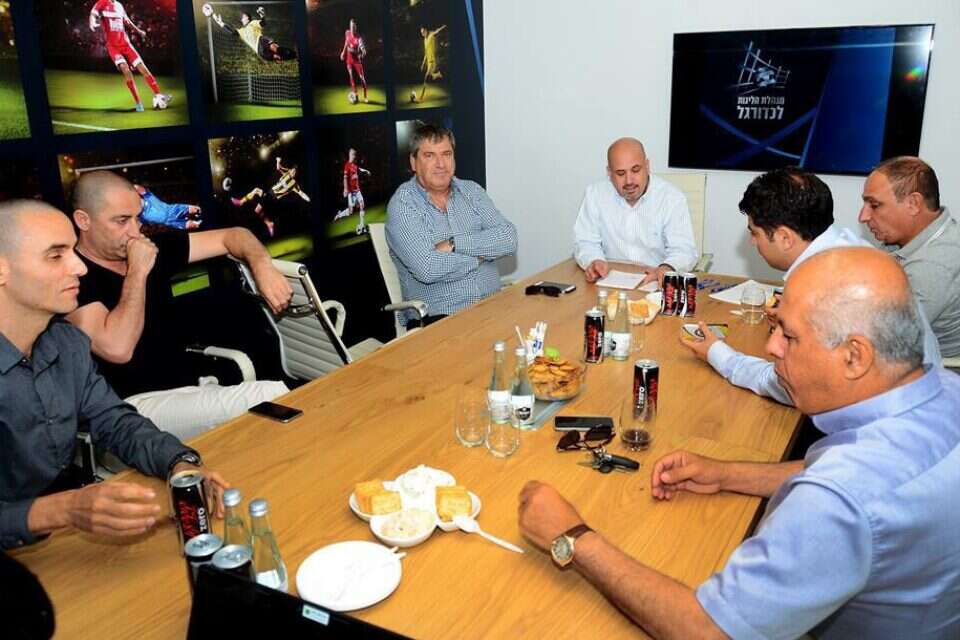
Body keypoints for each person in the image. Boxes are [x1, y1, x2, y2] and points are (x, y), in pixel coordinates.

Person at [519, 246, 960, 639]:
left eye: (789, 336)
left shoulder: (839, 499)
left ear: (854, 356)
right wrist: (727, 473)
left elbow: (709, 630)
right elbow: (856, 479)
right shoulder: (942, 389)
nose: (771, 347)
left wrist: (573, 536)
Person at [0, 200, 229, 551]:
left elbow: (115, 422)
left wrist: (179, 464)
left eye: (73, 251)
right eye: (56, 256)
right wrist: (60, 509)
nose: (80, 267)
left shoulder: (67, 344)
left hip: (56, 545)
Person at [65, 171, 293, 441]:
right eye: (122, 221)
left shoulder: (146, 248)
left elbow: (234, 235)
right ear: (83, 220)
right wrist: (137, 271)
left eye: (138, 218)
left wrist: (262, 266)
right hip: (128, 410)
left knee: (258, 428)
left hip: (186, 391)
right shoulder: (72, 278)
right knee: (272, 397)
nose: (135, 231)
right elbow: (118, 348)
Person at [684, 167, 941, 404]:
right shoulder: (848, 249)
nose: (752, 242)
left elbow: (789, 384)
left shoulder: (827, 284)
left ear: (785, 238)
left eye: (754, 232)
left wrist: (720, 355)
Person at [386, 123, 517, 326]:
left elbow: (509, 238)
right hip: (441, 319)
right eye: (429, 155)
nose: (440, 164)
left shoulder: (471, 191)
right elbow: (428, 268)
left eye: (446, 154)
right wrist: (481, 255)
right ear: (413, 162)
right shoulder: (402, 205)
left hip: (492, 306)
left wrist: (454, 244)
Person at [860, 156, 960, 359]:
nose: (863, 216)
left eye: (875, 205)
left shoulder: (933, 267)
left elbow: (881, 339)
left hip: (934, 368)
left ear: (913, 204)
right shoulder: (908, 237)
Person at [573, 138, 697, 286]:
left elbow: (684, 250)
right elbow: (585, 242)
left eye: (636, 170)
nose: (629, 181)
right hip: (609, 283)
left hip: (656, 283)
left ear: (647, 166)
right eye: (620, 173)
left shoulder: (671, 198)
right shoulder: (595, 195)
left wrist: (666, 268)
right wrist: (594, 261)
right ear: (609, 173)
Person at [89, 0, 171, 112]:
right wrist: (92, 21)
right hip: (113, 47)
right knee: (125, 69)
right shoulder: (102, 2)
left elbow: (127, 21)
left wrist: (139, 31)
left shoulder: (119, 6)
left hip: (126, 45)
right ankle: (138, 103)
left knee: (143, 69)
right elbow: (93, 13)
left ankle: (158, 95)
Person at [212, 7, 297, 62]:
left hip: (261, 41)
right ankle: (295, 56)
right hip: (259, 51)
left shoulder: (253, 23)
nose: (242, 19)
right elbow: (232, 32)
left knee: (275, 48)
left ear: (247, 18)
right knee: (277, 57)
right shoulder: (241, 31)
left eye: (243, 17)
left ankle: (295, 55)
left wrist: (262, 15)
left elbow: (263, 23)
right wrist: (221, 23)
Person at [333, 147, 372, 235]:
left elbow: (359, 169)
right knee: (351, 212)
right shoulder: (347, 165)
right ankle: (339, 215)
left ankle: (362, 226)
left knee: (362, 205)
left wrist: (366, 171)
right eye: (353, 154)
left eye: (355, 154)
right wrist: (345, 189)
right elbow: (345, 178)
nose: (355, 156)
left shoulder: (354, 165)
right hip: (351, 192)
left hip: (357, 190)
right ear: (350, 155)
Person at [339, 19, 368, 104]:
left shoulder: (359, 38)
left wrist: (357, 53)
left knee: (362, 79)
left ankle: (365, 96)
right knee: (351, 76)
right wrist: (343, 52)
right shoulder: (347, 33)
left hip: (356, 61)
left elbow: (364, 52)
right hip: (348, 60)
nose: (351, 28)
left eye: (353, 27)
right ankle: (355, 94)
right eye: (350, 26)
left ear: (356, 27)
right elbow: (346, 42)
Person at [417, 25, 446, 102]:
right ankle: (438, 74)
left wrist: (443, 27)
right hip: (428, 61)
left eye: (423, 32)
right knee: (430, 76)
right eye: (421, 33)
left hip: (432, 62)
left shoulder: (431, 35)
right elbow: (426, 53)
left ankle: (421, 97)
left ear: (426, 30)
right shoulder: (424, 40)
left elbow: (437, 31)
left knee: (426, 77)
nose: (422, 34)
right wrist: (423, 63)